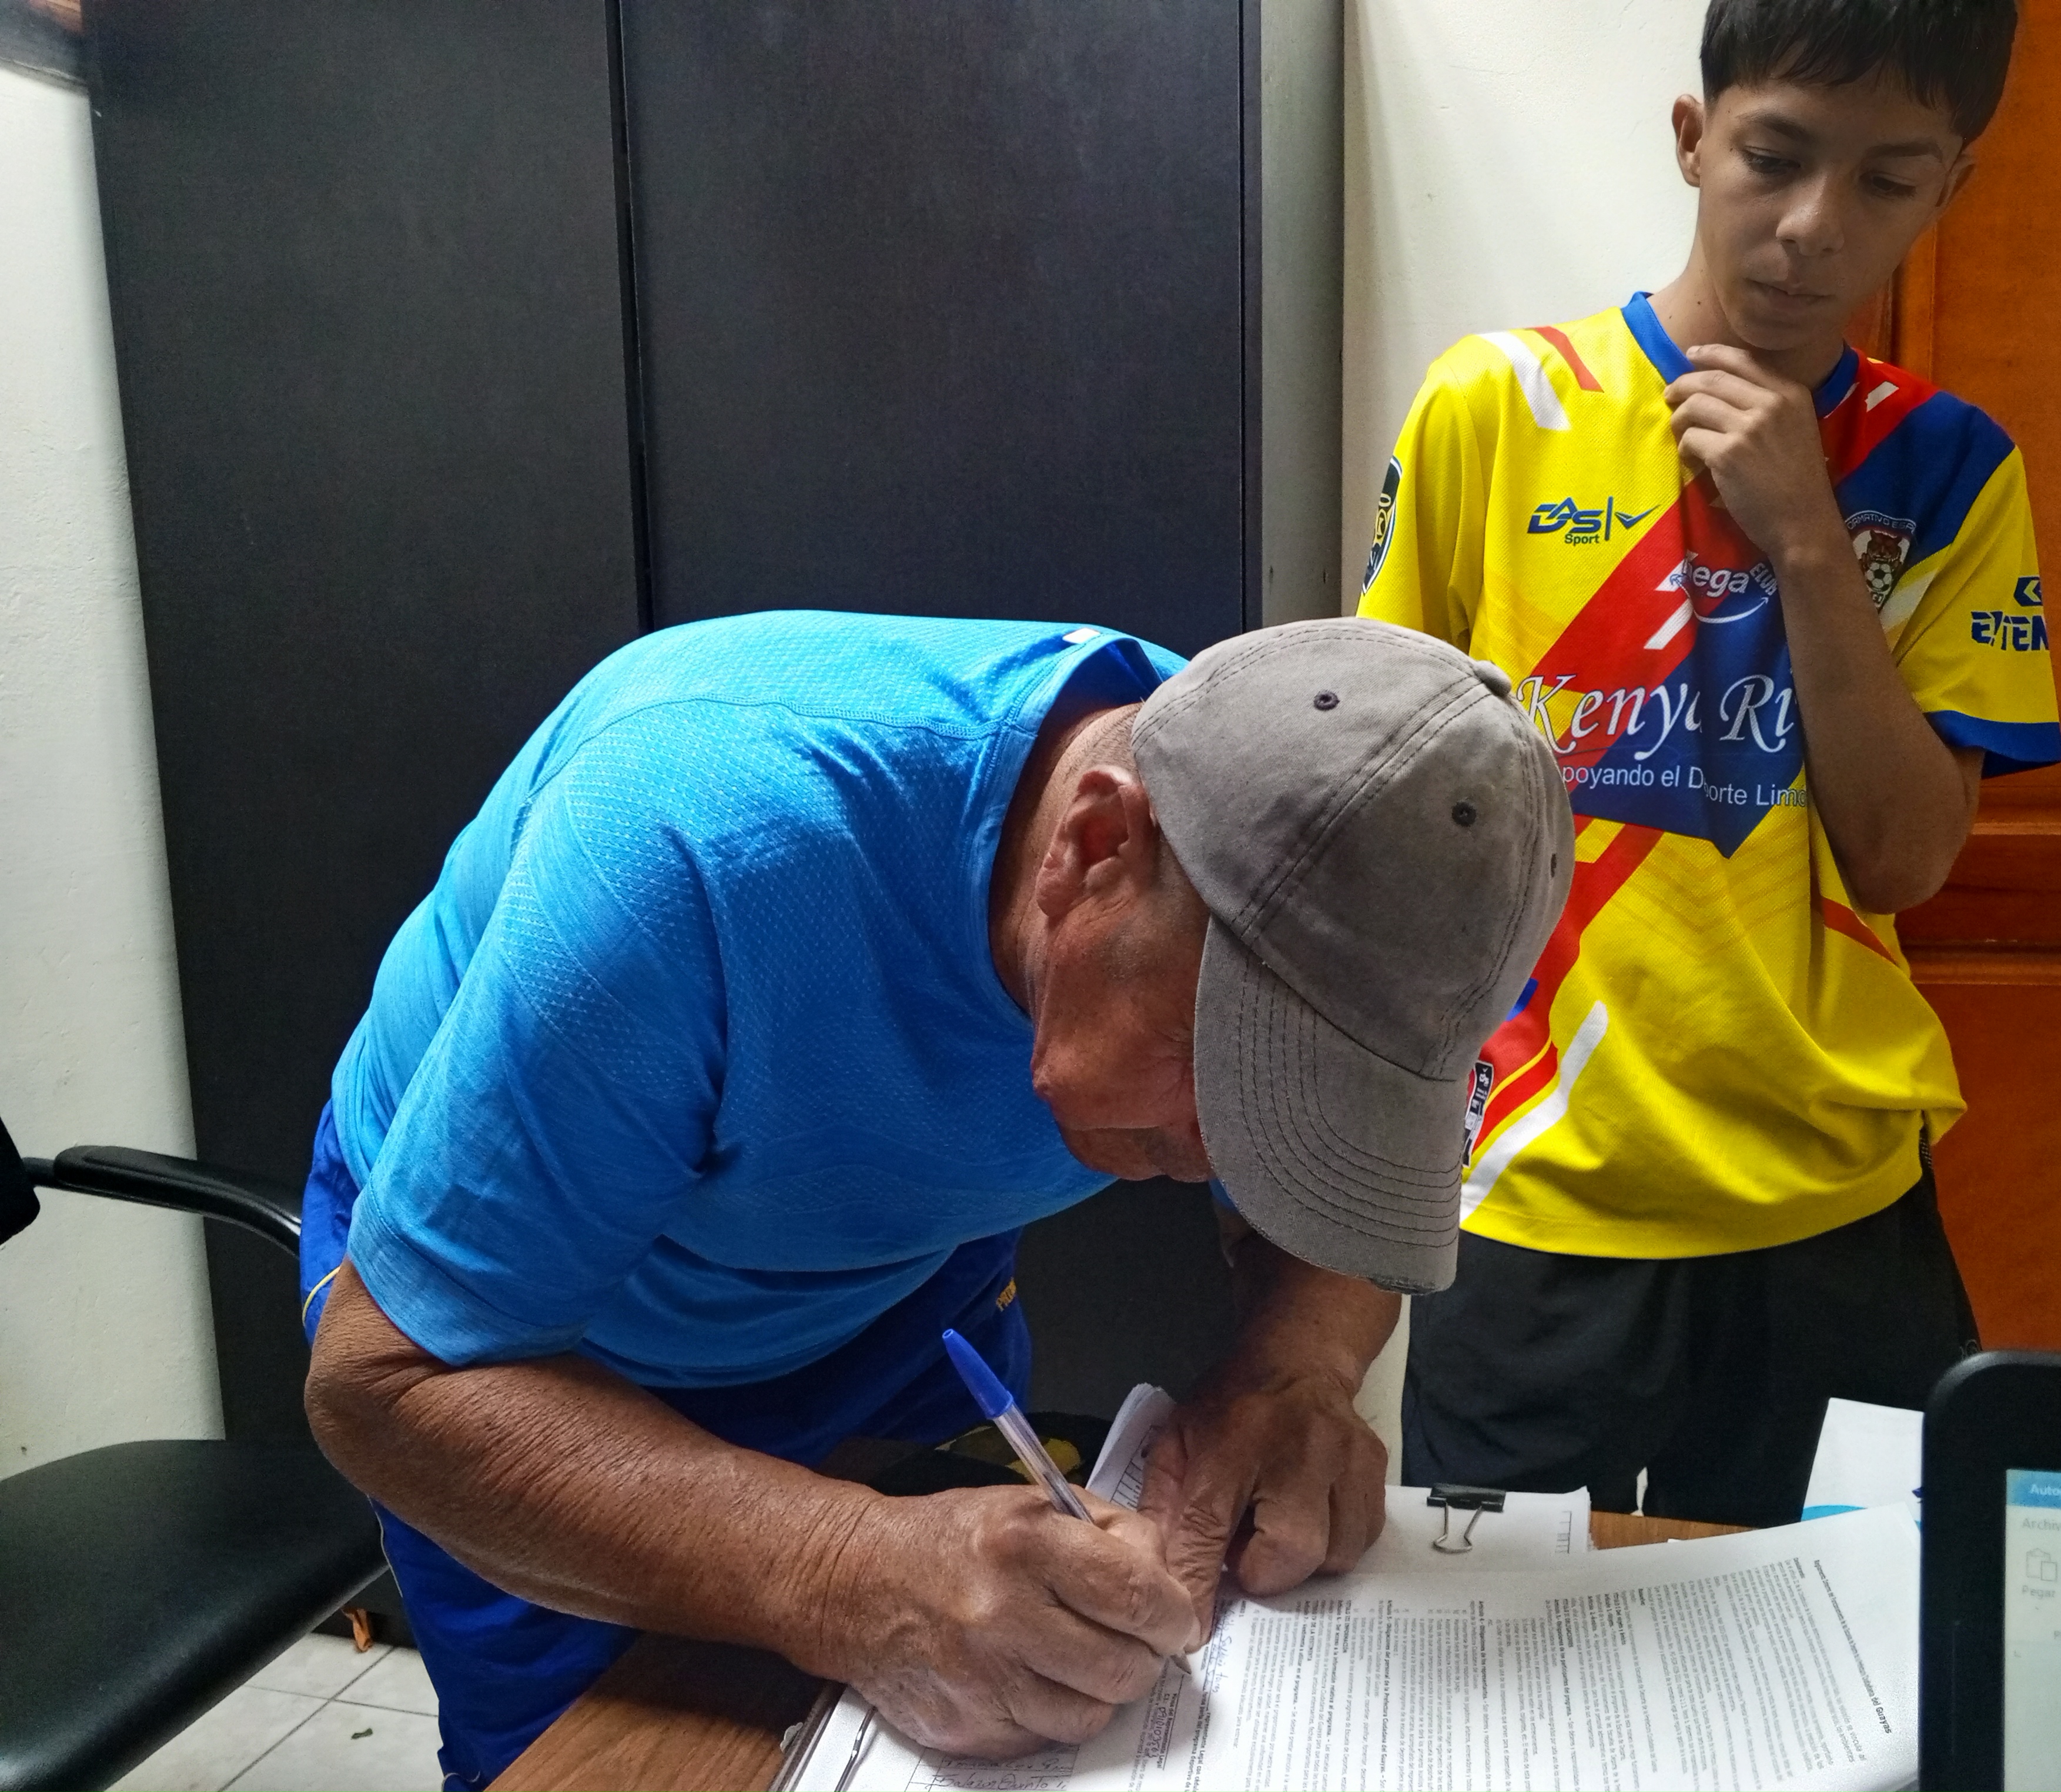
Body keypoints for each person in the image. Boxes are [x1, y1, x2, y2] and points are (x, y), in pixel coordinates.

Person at [299, 609, 1570, 1781]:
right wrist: (841, 1567)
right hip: (522, 1345)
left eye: (1313, 1117)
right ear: (1094, 849)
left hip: (894, 1290)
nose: (1230, 1158)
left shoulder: (1309, 835)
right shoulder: (687, 847)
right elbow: (386, 1383)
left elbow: (1330, 1219)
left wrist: (1296, 1366)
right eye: (1228, 1071)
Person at [1359, 0, 2061, 1527]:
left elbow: (1902, 861)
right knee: (1496, 1653)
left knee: (1850, 1653)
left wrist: (1807, 535)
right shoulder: (1498, 408)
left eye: (1888, 178)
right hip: (1540, 1192)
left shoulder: (1951, 468)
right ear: (1694, 139)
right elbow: (1376, 803)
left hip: (1831, 1203)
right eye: (1775, 156)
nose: (1814, 225)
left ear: (1949, 187)